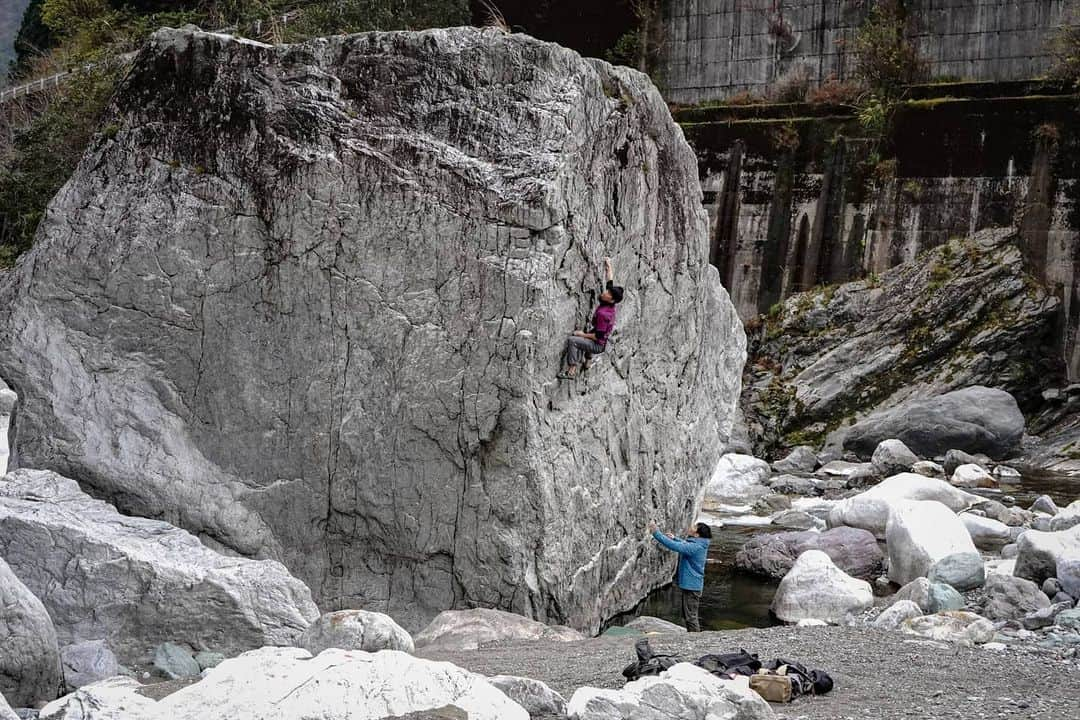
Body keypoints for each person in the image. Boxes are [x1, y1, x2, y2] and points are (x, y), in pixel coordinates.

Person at [559, 256, 624, 379]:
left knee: (573, 340)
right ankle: (588, 361)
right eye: (608, 291)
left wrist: (581, 334)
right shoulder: (610, 302)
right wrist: (608, 264)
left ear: (612, 299)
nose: (605, 293)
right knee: (591, 332)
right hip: (599, 338)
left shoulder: (603, 314)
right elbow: (610, 279)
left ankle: (571, 370)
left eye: (608, 294)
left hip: (598, 344)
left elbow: (598, 336)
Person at [648, 520, 712, 632]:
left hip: (692, 587)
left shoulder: (696, 547)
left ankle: (696, 640)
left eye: (694, 527)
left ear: (697, 534)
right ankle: (692, 637)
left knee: (691, 617)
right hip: (691, 585)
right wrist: (675, 538)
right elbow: (685, 545)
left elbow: (676, 547)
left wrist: (656, 532)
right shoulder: (699, 544)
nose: (691, 527)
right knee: (688, 615)